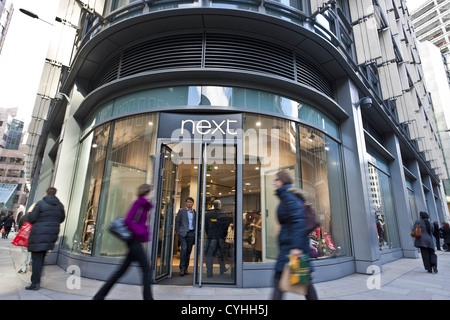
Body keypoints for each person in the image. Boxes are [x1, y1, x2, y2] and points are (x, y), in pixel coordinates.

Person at [93, 184, 154, 300]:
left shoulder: (144, 205)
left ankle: (99, 296)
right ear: (146, 192)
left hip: (135, 242)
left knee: (120, 272)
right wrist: (140, 231)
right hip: (134, 241)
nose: (153, 192)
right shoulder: (139, 203)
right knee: (146, 270)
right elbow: (128, 220)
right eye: (152, 191)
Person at [271, 170, 318, 300]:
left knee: (279, 281)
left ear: (282, 181)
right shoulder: (288, 197)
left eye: (276, 180)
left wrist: (296, 247)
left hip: (291, 246)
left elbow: (298, 222)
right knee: (304, 282)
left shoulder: (289, 198)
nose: (274, 183)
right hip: (290, 245)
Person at [26, 187, 65, 290]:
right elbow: (61, 219)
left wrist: (30, 213)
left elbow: (32, 218)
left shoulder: (40, 203)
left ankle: (35, 283)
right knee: (42, 257)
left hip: (38, 234)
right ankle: (37, 280)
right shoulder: (59, 206)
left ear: (46, 193)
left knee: (36, 259)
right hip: (51, 234)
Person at [205, 199, 228, 278]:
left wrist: (209, 234)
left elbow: (206, 226)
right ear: (219, 205)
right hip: (220, 237)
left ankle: (209, 273)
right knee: (220, 255)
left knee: (209, 255)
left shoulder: (208, 214)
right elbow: (225, 227)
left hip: (211, 237)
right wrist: (223, 235)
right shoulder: (223, 215)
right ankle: (222, 269)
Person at [175, 197, 196, 276]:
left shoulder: (194, 212)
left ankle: (186, 268)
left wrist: (195, 232)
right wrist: (178, 231)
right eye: (187, 202)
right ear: (185, 203)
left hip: (191, 234)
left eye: (190, 202)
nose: (189, 203)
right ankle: (182, 268)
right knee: (184, 249)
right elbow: (177, 222)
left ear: (192, 203)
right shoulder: (181, 211)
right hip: (183, 234)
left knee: (188, 251)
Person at [17, 204, 35, 273]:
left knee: (24, 253)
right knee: (33, 253)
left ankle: (23, 268)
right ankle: (31, 265)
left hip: (24, 238)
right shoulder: (36, 218)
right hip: (33, 238)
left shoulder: (24, 217)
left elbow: (20, 227)